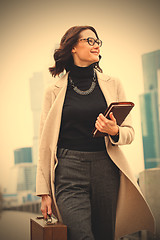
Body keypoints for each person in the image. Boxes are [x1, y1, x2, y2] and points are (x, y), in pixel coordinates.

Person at [36, 26, 155, 240]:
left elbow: (129, 133)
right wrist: (44, 192)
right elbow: (45, 145)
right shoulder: (52, 90)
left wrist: (114, 130)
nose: (96, 44)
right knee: (81, 236)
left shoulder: (113, 84)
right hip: (68, 171)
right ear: (73, 47)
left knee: (105, 236)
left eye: (98, 40)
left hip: (106, 168)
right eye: (90, 40)